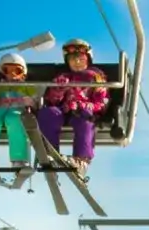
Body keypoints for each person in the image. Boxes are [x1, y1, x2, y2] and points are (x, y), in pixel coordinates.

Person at [36, 38, 107, 181]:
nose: (77, 62)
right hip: (64, 109)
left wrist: (84, 105)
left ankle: (81, 160)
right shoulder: (63, 77)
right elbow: (51, 100)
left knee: (86, 120)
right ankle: (50, 154)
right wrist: (59, 89)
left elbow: (102, 101)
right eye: (73, 60)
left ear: (88, 59)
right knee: (48, 113)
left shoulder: (96, 77)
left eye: (81, 59)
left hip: (83, 111)